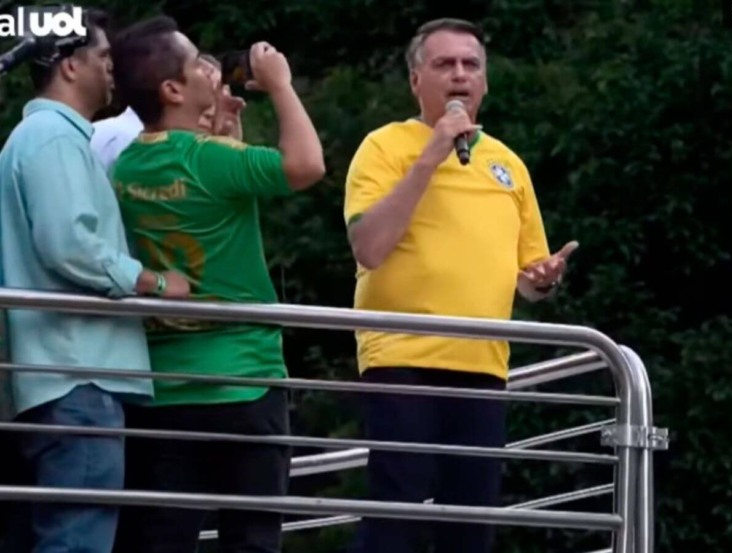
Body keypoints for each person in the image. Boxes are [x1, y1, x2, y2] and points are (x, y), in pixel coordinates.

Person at [343, 17, 578, 553]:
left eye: (471, 65)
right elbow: (370, 248)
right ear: (415, 81)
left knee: (471, 524)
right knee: (395, 512)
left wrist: (542, 280)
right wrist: (431, 156)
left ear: (485, 83)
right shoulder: (383, 148)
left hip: (482, 362)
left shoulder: (508, 164)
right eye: (444, 64)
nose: (459, 75)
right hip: (401, 354)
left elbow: (528, 279)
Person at [106, 15, 325, 553]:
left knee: (162, 539)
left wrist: (220, 132)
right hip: (246, 378)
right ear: (172, 89)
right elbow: (306, 165)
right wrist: (280, 84)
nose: (211, 67)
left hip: (166, 388)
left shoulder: (125, 166)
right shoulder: (212, 159)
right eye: (196, 61)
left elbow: (200, 192)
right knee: (251, 538)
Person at [0, 9, 190, 553]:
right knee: (77, 538)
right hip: (77, 373)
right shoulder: (51, 140)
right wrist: (151, 282)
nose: (115, 69)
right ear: (68, 64)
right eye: (104, 57)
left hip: (60, 374)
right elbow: (69, 244)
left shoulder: (41, 138)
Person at [91, 53, 229, 172]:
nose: (217, 120)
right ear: (172, 90)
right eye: (206, 114)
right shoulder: (141, 147)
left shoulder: (94, 132)